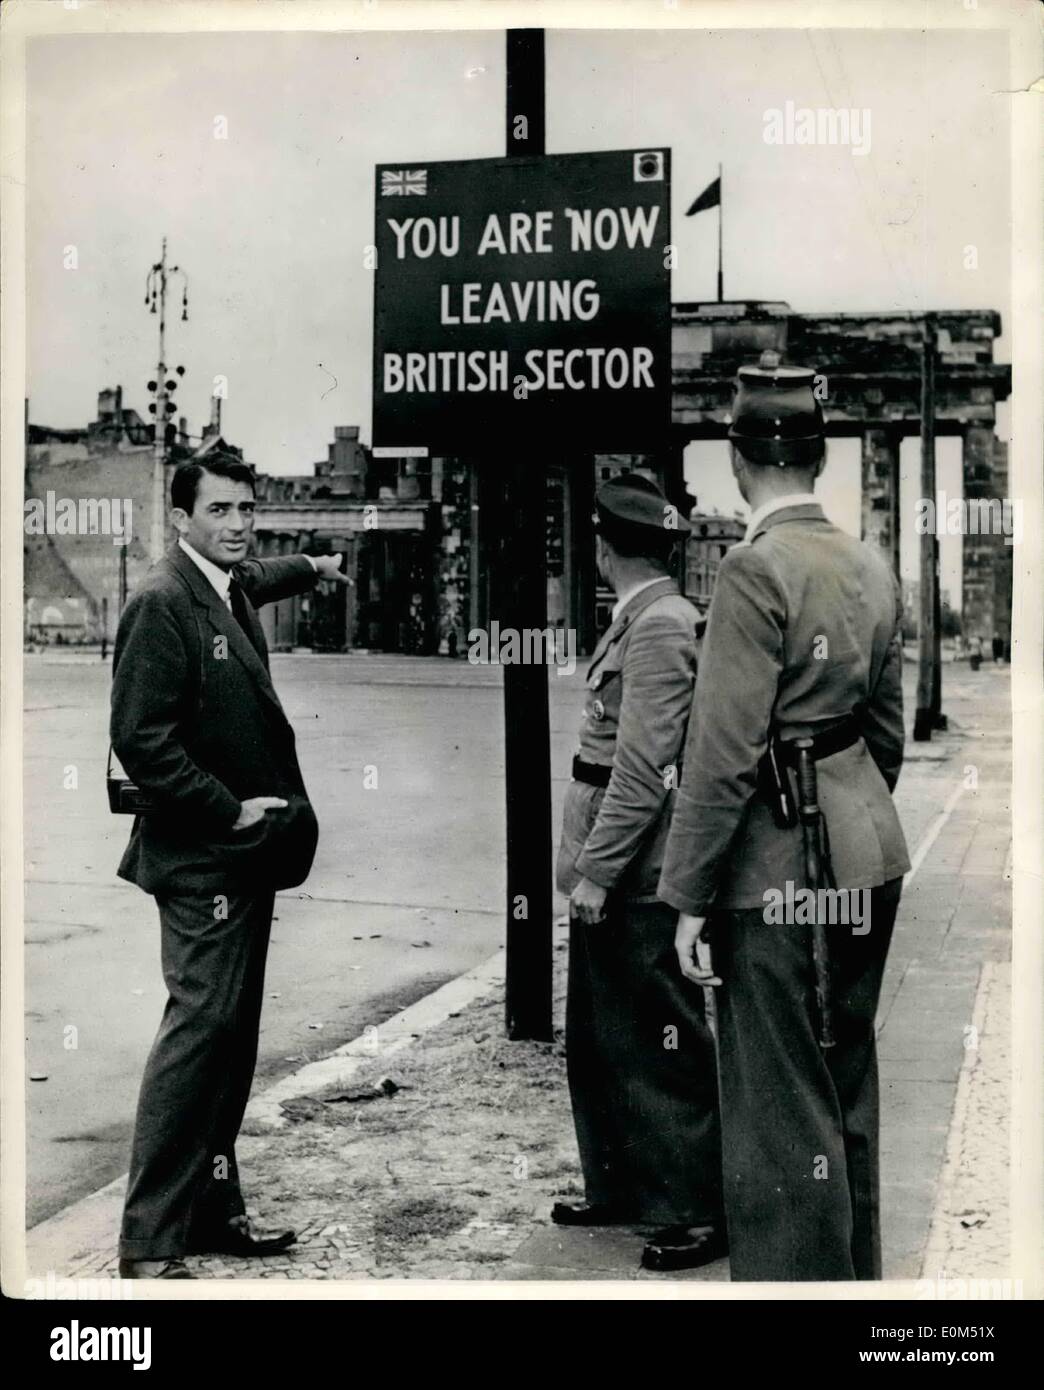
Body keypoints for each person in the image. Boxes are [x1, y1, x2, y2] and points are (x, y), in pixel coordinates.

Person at [659, 354, 910, 1281]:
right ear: (819, 456)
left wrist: (687, 895)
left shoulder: (752, 572)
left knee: (776, 1110)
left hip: (776, 874)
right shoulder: (869, 564)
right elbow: (882, 737)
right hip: (866, 855)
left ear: (738, 459)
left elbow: (720, 756)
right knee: (845, 1084)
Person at [111, 454, 350, 1278]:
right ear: (183, 516)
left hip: (245, 859)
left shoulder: (227, 582)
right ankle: (148, 1241)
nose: (239, 522)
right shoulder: (161, 601)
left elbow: (265, 572)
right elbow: (142, 742)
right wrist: (227, 808)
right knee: (197, 1037)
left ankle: (213, 1212)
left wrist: (316, 565)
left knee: (231, 1041)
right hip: (201, 857)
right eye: (220, 509)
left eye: (248, 507)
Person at [553, 472, 725, 1273]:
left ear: (602, 546)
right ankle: (619, 1185)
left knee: (662, 1042)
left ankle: (691, 1207)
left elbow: (644, 770)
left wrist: (595, 872)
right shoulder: (642, 617)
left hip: (637, 871)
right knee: (600, 1036)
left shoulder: (658, 627)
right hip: (614, 863)